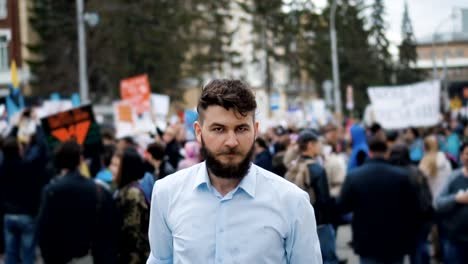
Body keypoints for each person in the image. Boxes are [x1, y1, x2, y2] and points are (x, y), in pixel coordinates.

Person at [147, 79, 322, 263]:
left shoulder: (292, 202)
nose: (231, 141)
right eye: (218, 129)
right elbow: (160, 259)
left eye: (241, 129)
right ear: (198, 132)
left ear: (255, 131)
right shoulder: (166, 193)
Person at [337, 136, 420, 264]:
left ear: (369, 152)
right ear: (387, 152)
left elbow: (343, 206)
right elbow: (413, 207)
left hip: (367, 240)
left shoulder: (354, 176)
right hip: (395, 240)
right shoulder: (402, 176)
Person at [37, 140, 117, 264]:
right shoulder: (98, 190)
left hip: (59, 256)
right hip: (88, 256)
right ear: (80, 160)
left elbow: (44, 229)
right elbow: (109, 228)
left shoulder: (51, 190)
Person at [286, 130, 337, 263]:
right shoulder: (317, 169)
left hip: (298, 221)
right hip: (320, 223)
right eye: (317, 144)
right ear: (310, 145)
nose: (320, 147)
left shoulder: (294, 166)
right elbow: (324, 200)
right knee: (327, 259)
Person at [113, 148, 150, 263]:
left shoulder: (132, 193)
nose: (111, 169)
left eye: (115, 165)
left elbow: (132, 233)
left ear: (126, 169)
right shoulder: (125, 190)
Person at [435, 142, 468, 264]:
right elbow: (438, 203)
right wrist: (457, 198)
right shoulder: (453, 177)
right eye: (467, 153)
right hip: (455, 239)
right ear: (461, 156)